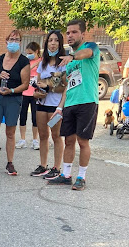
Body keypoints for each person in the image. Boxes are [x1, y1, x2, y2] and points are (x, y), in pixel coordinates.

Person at [47, 19, 99, 191]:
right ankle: (66, 175)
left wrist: (72, 56)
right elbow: (67, 88)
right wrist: (59, 108)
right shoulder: (68, 62)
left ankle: (81, 177)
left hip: (87, 102)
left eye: (74, 32)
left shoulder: (90, 47)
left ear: (82, 34)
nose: (70, 35)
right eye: (68, 32)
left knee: (82, 141)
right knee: (68, 140)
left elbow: (86, 53)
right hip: (70, 104)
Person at [0, 30, 30, 176]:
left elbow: (25, 84)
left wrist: (12, 91)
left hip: (14, 99)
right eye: (11, 39)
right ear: (6, 41)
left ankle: (10, 163)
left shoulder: (23, 61)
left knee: (10, 132)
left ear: (20, 42)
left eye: (17, 40)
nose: (14, 42)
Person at [31, 30, 67, 179]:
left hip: (55, 107)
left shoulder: (63, 64)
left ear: (60, 43)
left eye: (56, 40)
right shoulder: (43, 64)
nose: (53, 43)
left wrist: (60, 107)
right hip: (41, 105)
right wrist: (36, 93)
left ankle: (56, 167)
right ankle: (43, 165)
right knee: (43, 135)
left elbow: (65, 86)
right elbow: (38, 83)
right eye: (50, 40)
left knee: (56, 135)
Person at [16, 42, 41, 150]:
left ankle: (35, 140)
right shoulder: (26, 62)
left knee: (35, 118)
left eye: (30, 53)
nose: (28, 55)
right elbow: (22, 71)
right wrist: (33, 64)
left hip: (35, 93)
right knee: (23, 116)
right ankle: (22, 139)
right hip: (24, 93)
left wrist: (39, 62)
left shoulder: (42, 61)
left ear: (36, 52)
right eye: (27, 53)